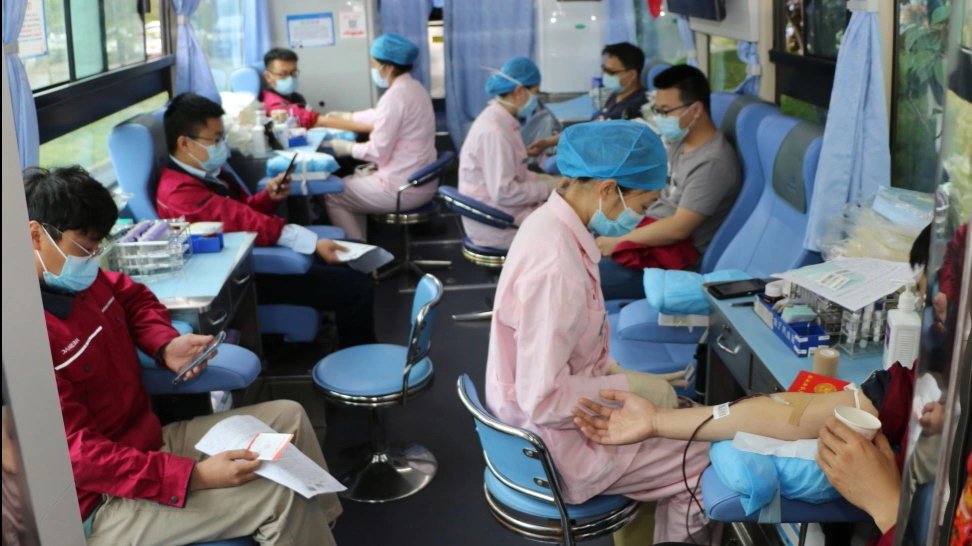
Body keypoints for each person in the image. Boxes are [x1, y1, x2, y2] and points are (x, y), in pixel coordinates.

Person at [24, 166, 342, 546]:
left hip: (146, 442)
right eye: (84, 247)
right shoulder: (28, 339)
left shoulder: (84, 284)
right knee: (278, 495)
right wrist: (195, 476)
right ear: (35, 235)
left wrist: (163, 344)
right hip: (102, 498)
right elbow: (78, 456)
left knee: (289, 416)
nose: (92, 258)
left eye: (97, 248)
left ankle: (322, 529)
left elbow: (137, 300)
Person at [486, 120, 715, 544]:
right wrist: (627, 388)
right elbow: (545, 399)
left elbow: (562, 350)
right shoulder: (556, 268)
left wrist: (618, 377)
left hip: (541, 416)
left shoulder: (549, 224)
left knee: (681, 416)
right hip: (555, 443)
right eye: (643, 202)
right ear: (608, 189)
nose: (641, 215)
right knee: (706, 460)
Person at [156, 92, 376, 348]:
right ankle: (359, 362)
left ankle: (354, 346)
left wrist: (268, 198)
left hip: (250, 259)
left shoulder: (205, 173)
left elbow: (240, 212)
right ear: (185, 143)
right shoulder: (179, 192)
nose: (221, 146)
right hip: (247, 276)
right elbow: (242, 219)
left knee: (355, 260)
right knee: (357, 286)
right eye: (215, 139)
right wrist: (313, 243)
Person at [597, 64, 741, 301]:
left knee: (576, 278)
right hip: (648, 235)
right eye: (657, 110)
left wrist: (619, 241)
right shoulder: (681, 142)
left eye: (665, 111)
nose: (659, 118)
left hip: (671, 264)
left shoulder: (713, 163)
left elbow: (678, 228)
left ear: (695, 110)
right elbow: (659, 191)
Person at [316, 33, 437, 241]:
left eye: (374, 64)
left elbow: (377, 152)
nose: (373, 69)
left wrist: (345, 147)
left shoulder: (395, 97)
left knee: (334, 193)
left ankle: (358, 254)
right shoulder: (415, 89)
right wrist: (349, 116)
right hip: (420, 180)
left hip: (403, 188)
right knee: (349, 183)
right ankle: (362, 247)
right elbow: (381, 115)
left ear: (387, 67)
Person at [457, 56, 561, 249]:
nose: (536, 100)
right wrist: (547, 187)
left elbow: (514, 173)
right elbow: (504, 192)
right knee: (565, 230)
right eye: (535, 93)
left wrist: (545, 180)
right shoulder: (495, 131)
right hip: (496, 222)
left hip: (498, 209)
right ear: (519, 91)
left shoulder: (502, 121)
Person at [525, 42, 649, 156]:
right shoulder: (616, 96)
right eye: (604, 69)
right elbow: (590, 128)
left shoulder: (638, 107)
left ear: (631, 75)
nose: (605, 75)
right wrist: (548, 142)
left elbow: (612, 148)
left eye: (610, 72)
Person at [260, 48, 328, 130]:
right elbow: (313, 120)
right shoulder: (271, 103)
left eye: (293, 72)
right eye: (283, 74)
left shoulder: (297, 97)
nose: (290, 78)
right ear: (268, 76)